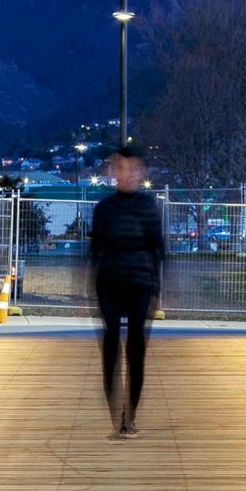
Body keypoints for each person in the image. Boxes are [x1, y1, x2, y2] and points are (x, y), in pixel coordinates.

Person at [88, 144, 166, 436]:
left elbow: (157, 247)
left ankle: (130, 415)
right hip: (109, 282)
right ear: (112, 171)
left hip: (140, 282)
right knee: (110, 346)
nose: (127, 174)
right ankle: (115, 412)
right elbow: (95, 250)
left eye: (133, 168)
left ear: (141, 172)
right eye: (121, 167)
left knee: (136, 349)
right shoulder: (104, 209)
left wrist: (158, 288)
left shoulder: (148, 207)